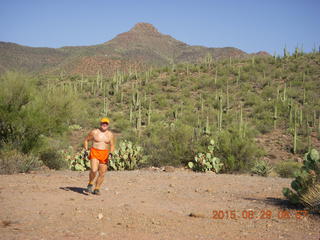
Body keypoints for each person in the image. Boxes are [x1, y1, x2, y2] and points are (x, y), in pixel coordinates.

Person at [83, 117, 115, 195]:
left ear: (108, 125)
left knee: (102, 173)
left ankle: (97, 188)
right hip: (95, 152)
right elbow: (86, 140)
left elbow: (112, 145)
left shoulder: (110, 134)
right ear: (100, 124)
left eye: (106, 123)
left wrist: (111, 153)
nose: (104, 125)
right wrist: (86, 150)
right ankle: (90, 184)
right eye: (103, 123)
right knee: (94, 170)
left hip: (105, 154)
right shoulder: (94, 132)